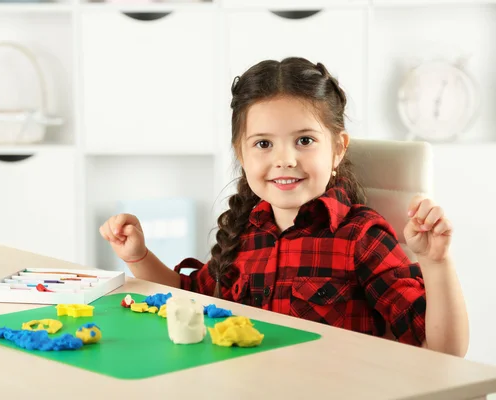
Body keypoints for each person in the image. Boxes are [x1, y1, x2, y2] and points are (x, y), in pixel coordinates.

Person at [99, 57, 469, 356]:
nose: (285, 159)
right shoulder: (246, 231)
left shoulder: (361, 237)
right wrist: (138, 255)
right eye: (263, 144)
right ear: (240, 154)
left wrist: (437, 262)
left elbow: (443, 352)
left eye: (304, 140)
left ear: (338, 148)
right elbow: (186, 297)